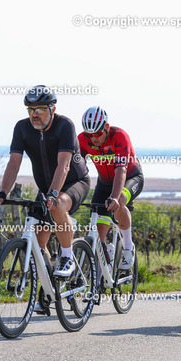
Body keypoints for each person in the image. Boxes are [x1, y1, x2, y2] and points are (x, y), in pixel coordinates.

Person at [0, 85, 90, 279]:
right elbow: (14, 163)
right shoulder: (22, 128)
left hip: (74, 182)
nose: (34, 114)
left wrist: (53, 194)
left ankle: (67, 258)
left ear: (53, 109)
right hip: (47, 189)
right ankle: (50, 287)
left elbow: (64, 165)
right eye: (30, 109)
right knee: (38, 243)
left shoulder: (65, 125)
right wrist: (3, 192)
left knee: (58, 204)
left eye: (41, 109)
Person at [78, 106, 144, 269]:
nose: (94, 138)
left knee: (119, 200)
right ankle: (102, 272)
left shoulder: (119, 136)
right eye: (90, 134)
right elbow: (76, 168)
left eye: (98, 133)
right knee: (98, 234)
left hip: (131, 178)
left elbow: (121, 170)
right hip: (104, 183)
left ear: (106, 127)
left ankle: (128, 247)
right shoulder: (82, 139)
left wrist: (114, 197)